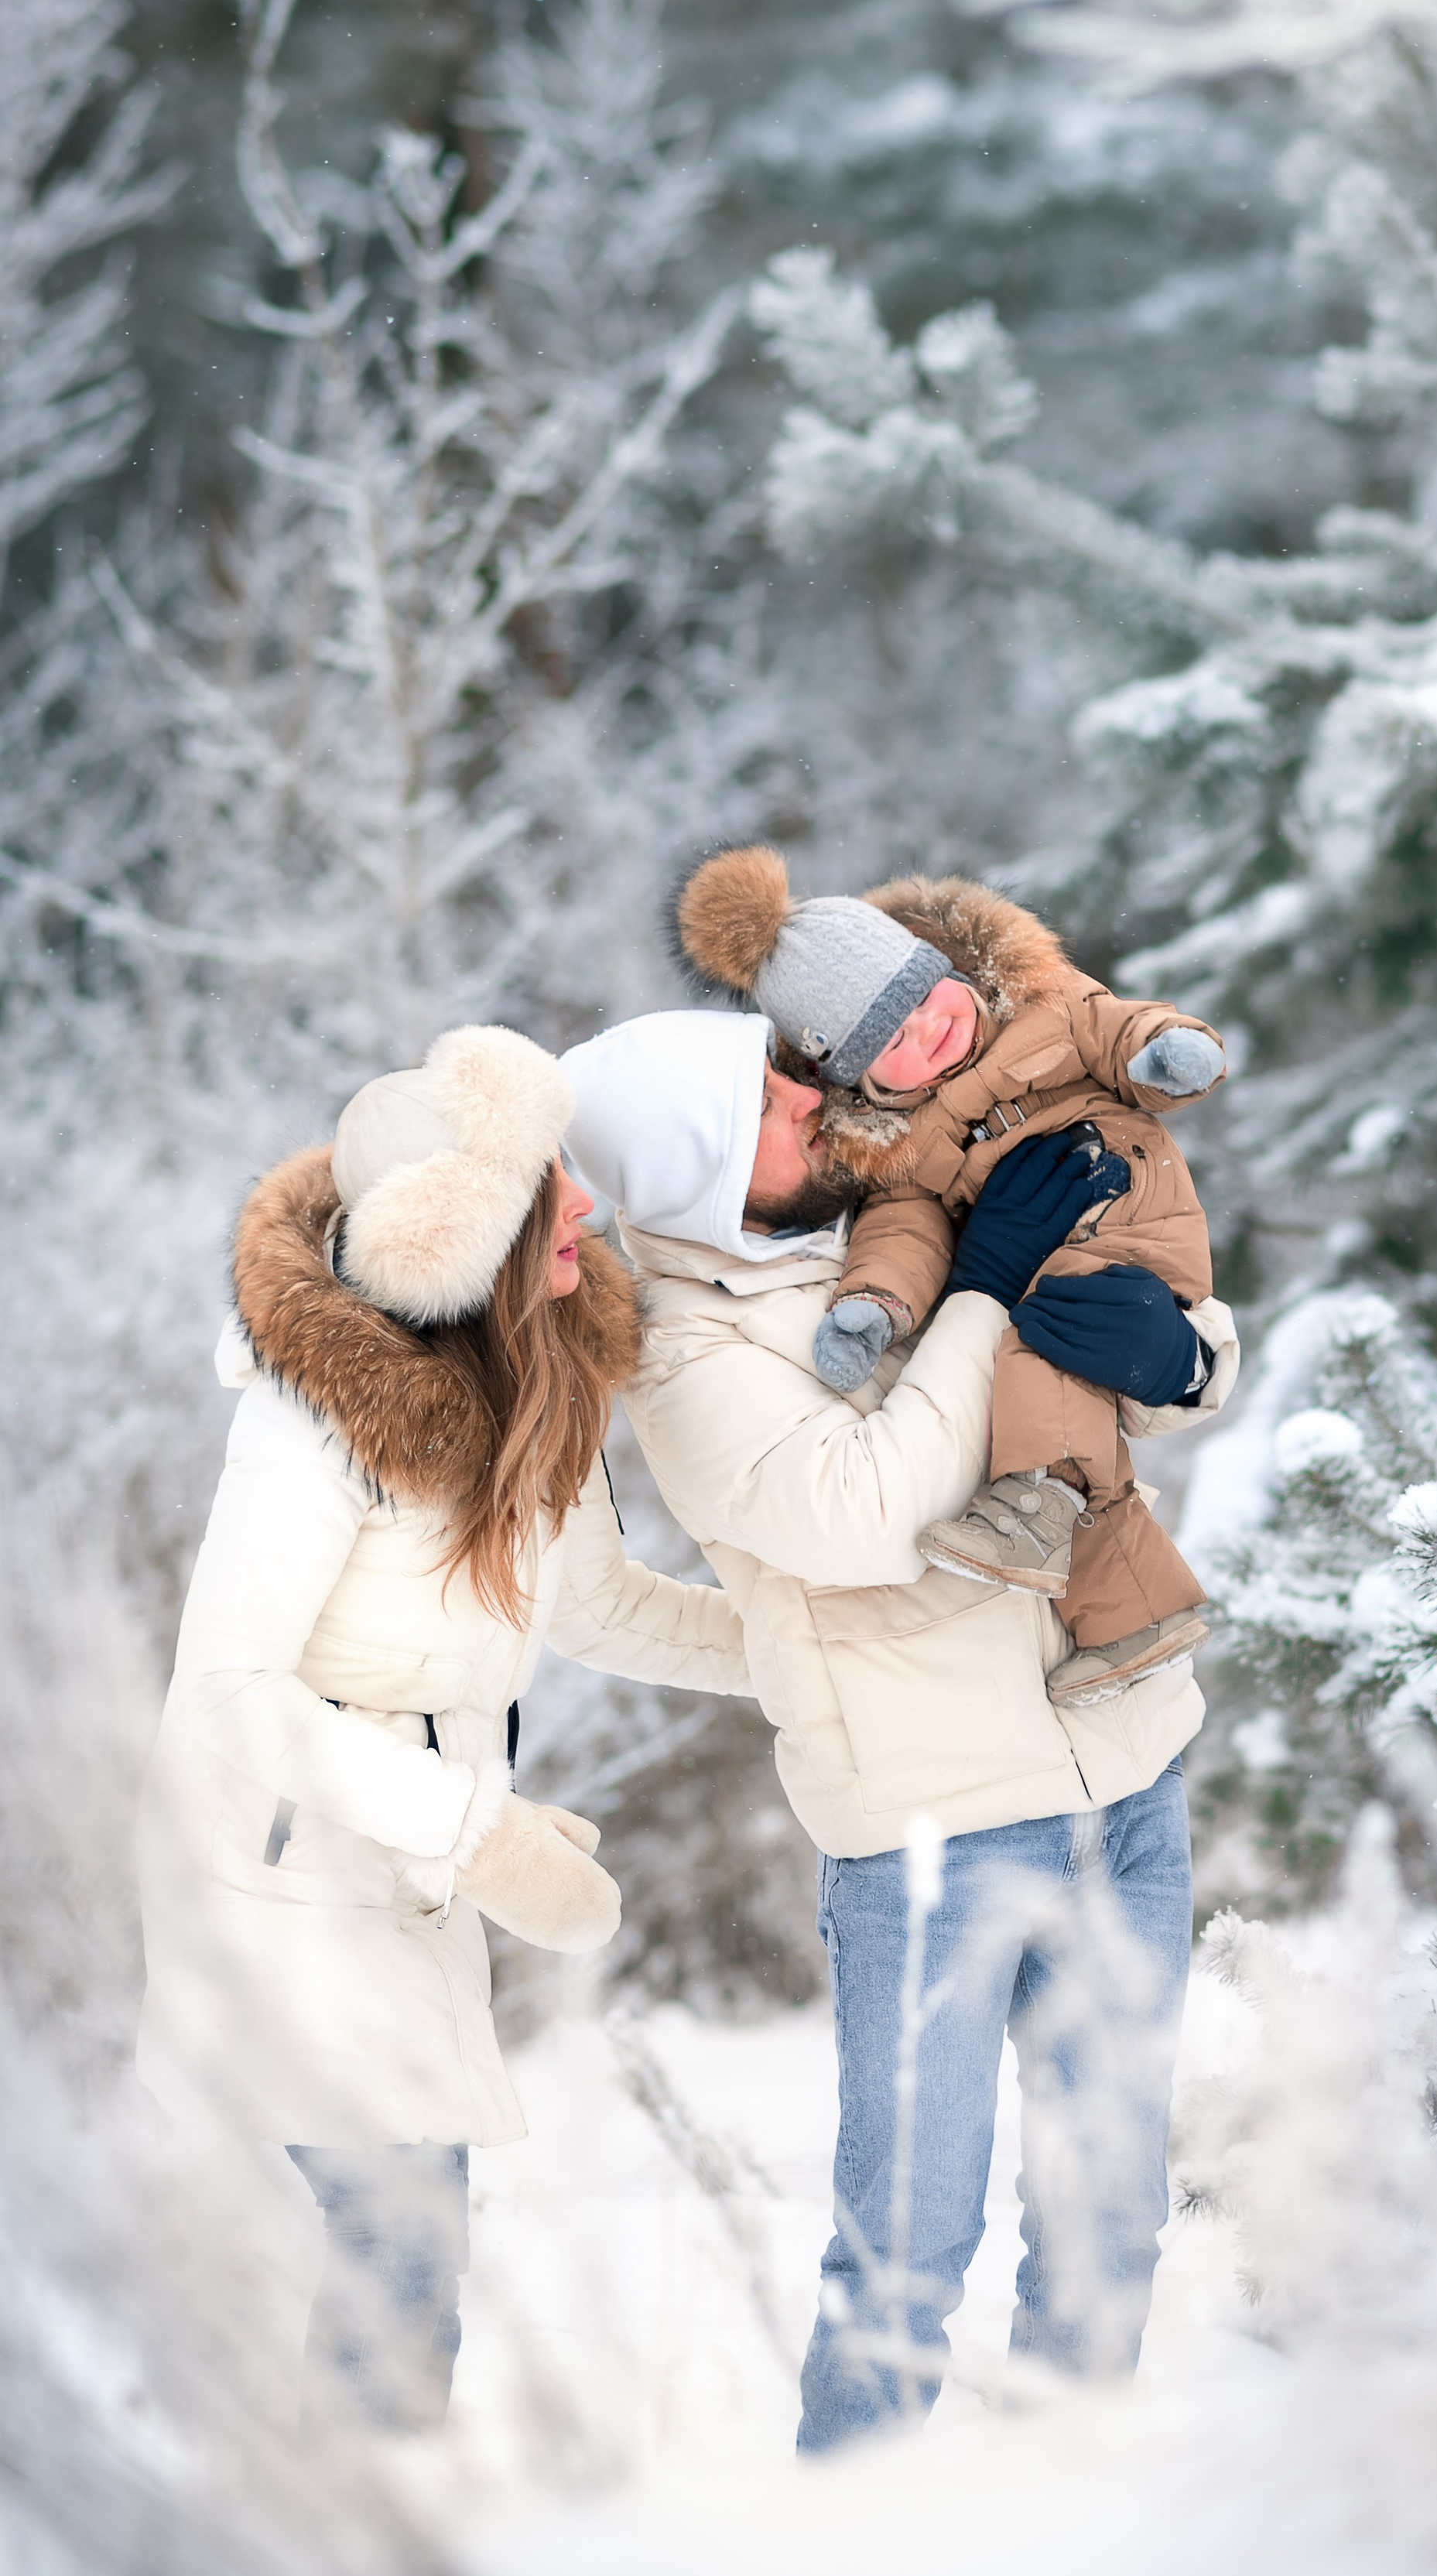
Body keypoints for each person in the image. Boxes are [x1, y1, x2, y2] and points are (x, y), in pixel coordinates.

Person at [558, 1004, 1239, 2455]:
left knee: (1111, 2212)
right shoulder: (689, 1362)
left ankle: (1064, 2513)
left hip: (1122, 1765)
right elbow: (865, 1514)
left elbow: (1119, 1337)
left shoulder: (900, 1198)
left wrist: (1180, 1357)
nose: (818, 1104)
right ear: (693, 1169)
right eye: (775, 1107)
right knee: (908, 2255)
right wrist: (985, 1294)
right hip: (934, 1836)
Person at [135, 1024, 752, 2433]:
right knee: (394, 2237)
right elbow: (227, 1690)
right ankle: (332, 2515)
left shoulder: (540, 1374)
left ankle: (339, 2498)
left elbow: (598, 1604)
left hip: (404, 1857)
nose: (585, 1204)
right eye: (549, 1186)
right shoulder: (316, 1418)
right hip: (279, 1869)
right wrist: (477, 1829)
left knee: (409, 2246)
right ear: (460, 1231)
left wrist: (799, 1655)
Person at [672, 847, 1228, 1705]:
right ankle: (1121, 1608)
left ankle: (1046, 1513)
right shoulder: (886, 1155)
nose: (928, 1033)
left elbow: (1117, 1029)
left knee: (1037, 1360)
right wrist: (877, 1303)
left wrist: (1167, 1053)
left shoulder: (1043, 1006)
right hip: (1047, 1288)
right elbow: (903, 1227)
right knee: (1031, 1364)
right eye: (890, 1042)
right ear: (849, 1078)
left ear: (946, 967)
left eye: (924, 1002)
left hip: (1126, 1212)